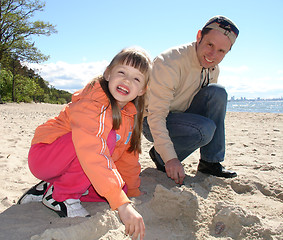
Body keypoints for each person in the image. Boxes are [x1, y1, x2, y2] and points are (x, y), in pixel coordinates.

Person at [18, 47, 151, 240]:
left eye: (136, 78)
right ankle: (62, 196)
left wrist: (130, 191)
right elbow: (93, 150)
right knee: (107, 140)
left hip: (68, 164)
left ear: (142, 90)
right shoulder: (94, 103)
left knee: (116, 191)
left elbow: (128, 157)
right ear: (108, 74)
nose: (127, 81)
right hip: (45, 155)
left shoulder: (129, 116)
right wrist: (123, 206)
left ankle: (51, 188)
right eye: (121, 72)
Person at [143, 15, 239, 185]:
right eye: (210, 44)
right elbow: (156, 115)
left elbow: (209, 107)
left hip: (182, 116)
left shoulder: (213, 68)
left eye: (221, 51)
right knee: (205, 129)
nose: (212, 55)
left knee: (218, 93)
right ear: (199, 36)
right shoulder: (170, 61)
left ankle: (210, 162)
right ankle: (160, 156)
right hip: (152, 119)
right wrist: (170, 158)